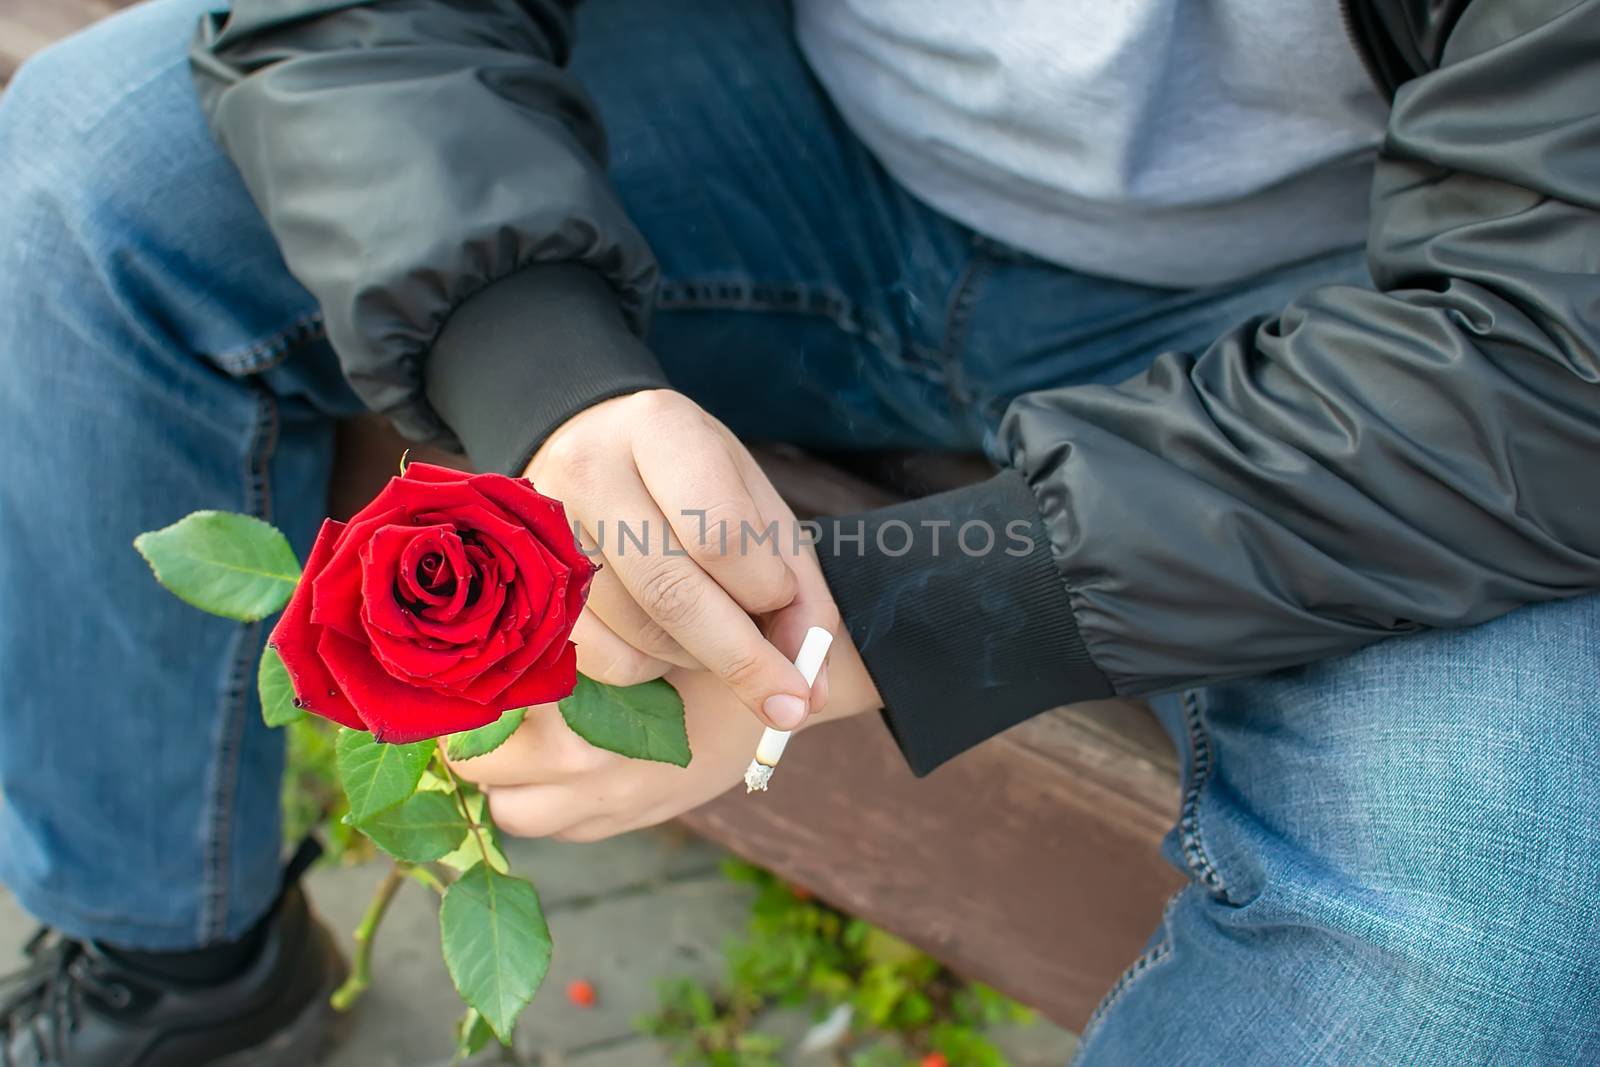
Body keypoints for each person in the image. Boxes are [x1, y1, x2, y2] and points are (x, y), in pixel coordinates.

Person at [1, 0, 1597, 1063]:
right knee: (95, 170)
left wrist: (906, 611)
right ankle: (175, 979)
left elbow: (1560, 340)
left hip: (1395, 303)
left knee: (1476, 908)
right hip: (802, 117)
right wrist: (540, 369)